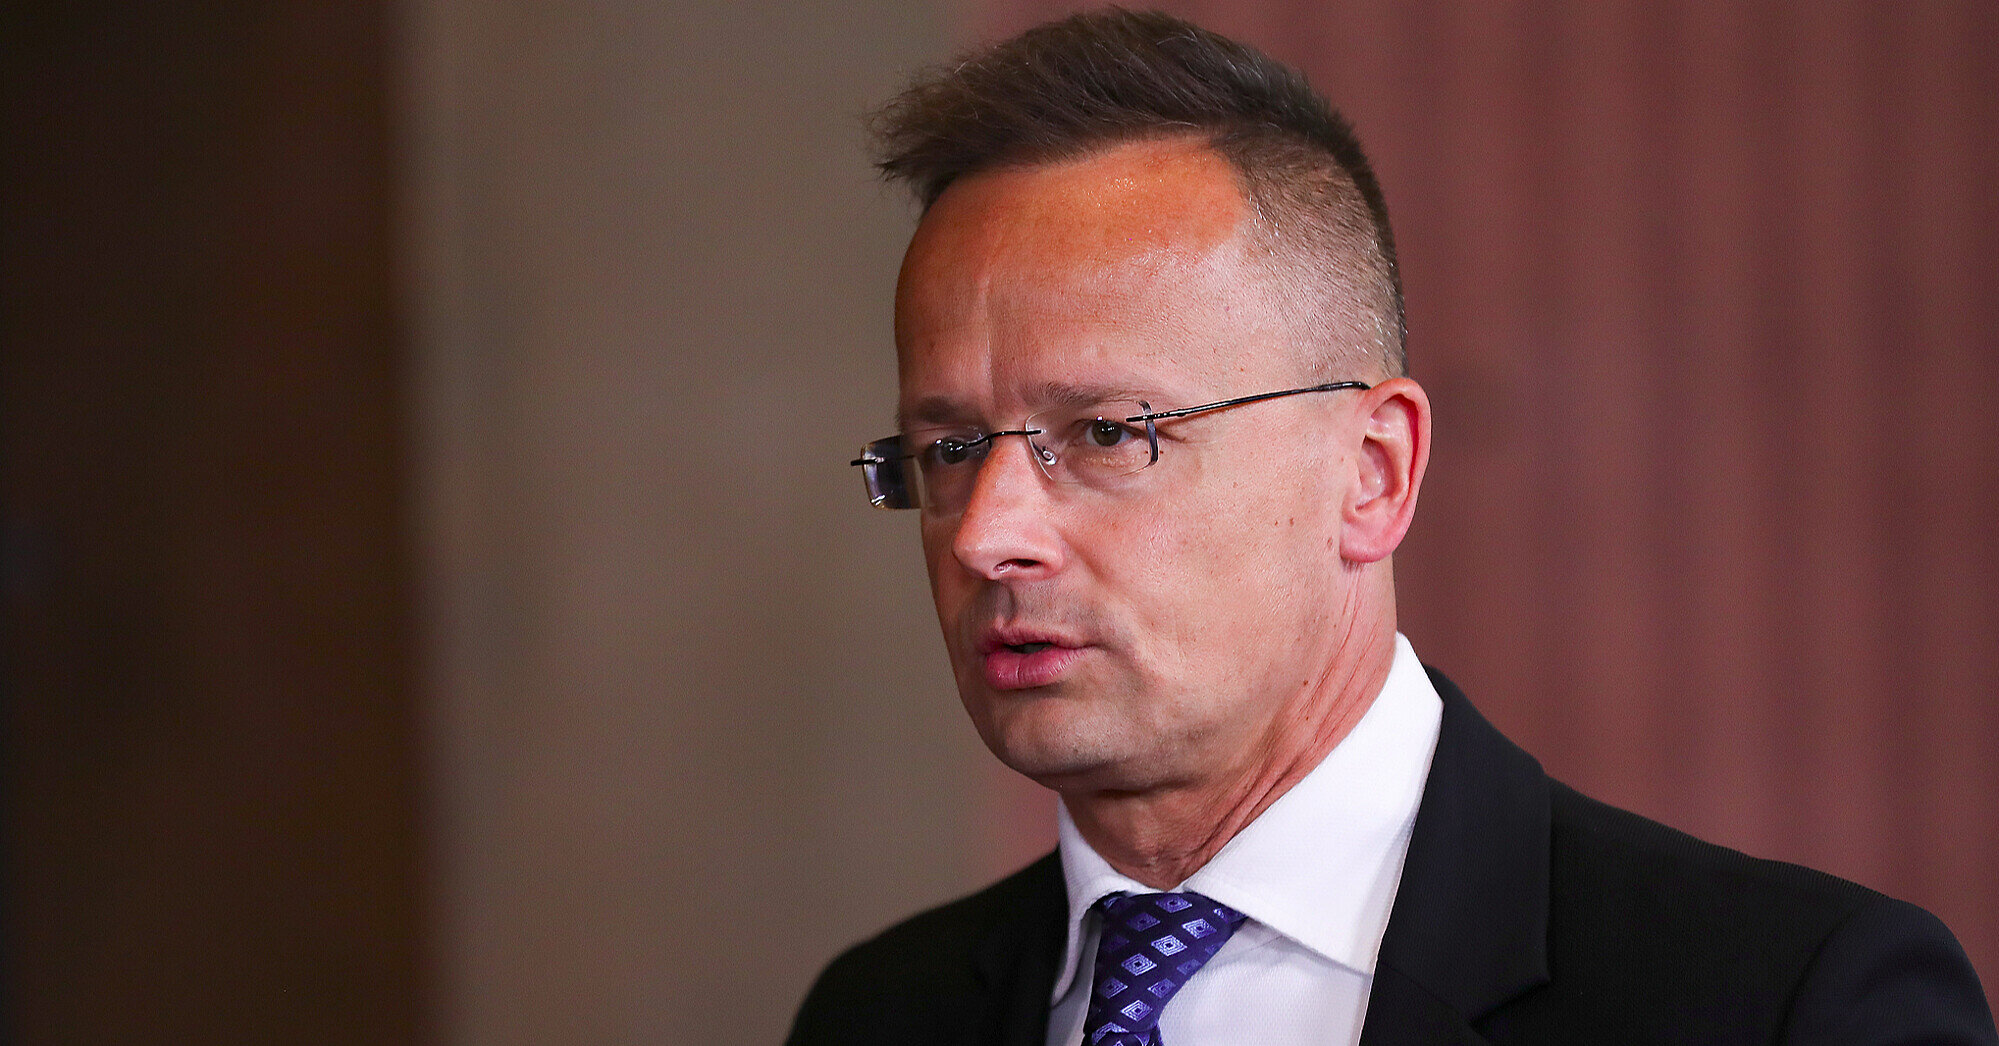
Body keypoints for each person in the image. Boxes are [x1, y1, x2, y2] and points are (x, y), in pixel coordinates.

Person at [789, 10, 1997, 1045]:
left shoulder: (1787, 1001)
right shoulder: (877, 1012)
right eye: (952, 449)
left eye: (1108, 431)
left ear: (1371, 473)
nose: (985, 534)